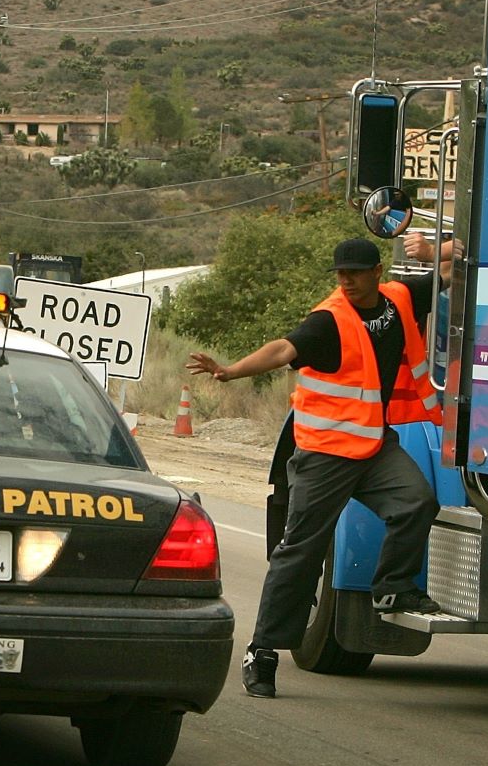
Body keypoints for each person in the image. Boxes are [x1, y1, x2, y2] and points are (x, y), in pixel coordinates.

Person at [186, 235, 451, 699]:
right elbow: (283, 350)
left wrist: (438, 250)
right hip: (324, 455)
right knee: (301, 552)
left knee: (416, 502)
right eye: (340, 273)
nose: (345, 280)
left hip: (372, 447)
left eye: (354, 272)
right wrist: (231, 371)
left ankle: (391, 588)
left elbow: (458, 268)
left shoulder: (400, 298)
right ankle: (262, 651)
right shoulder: (329, 321)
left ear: (375, 273)